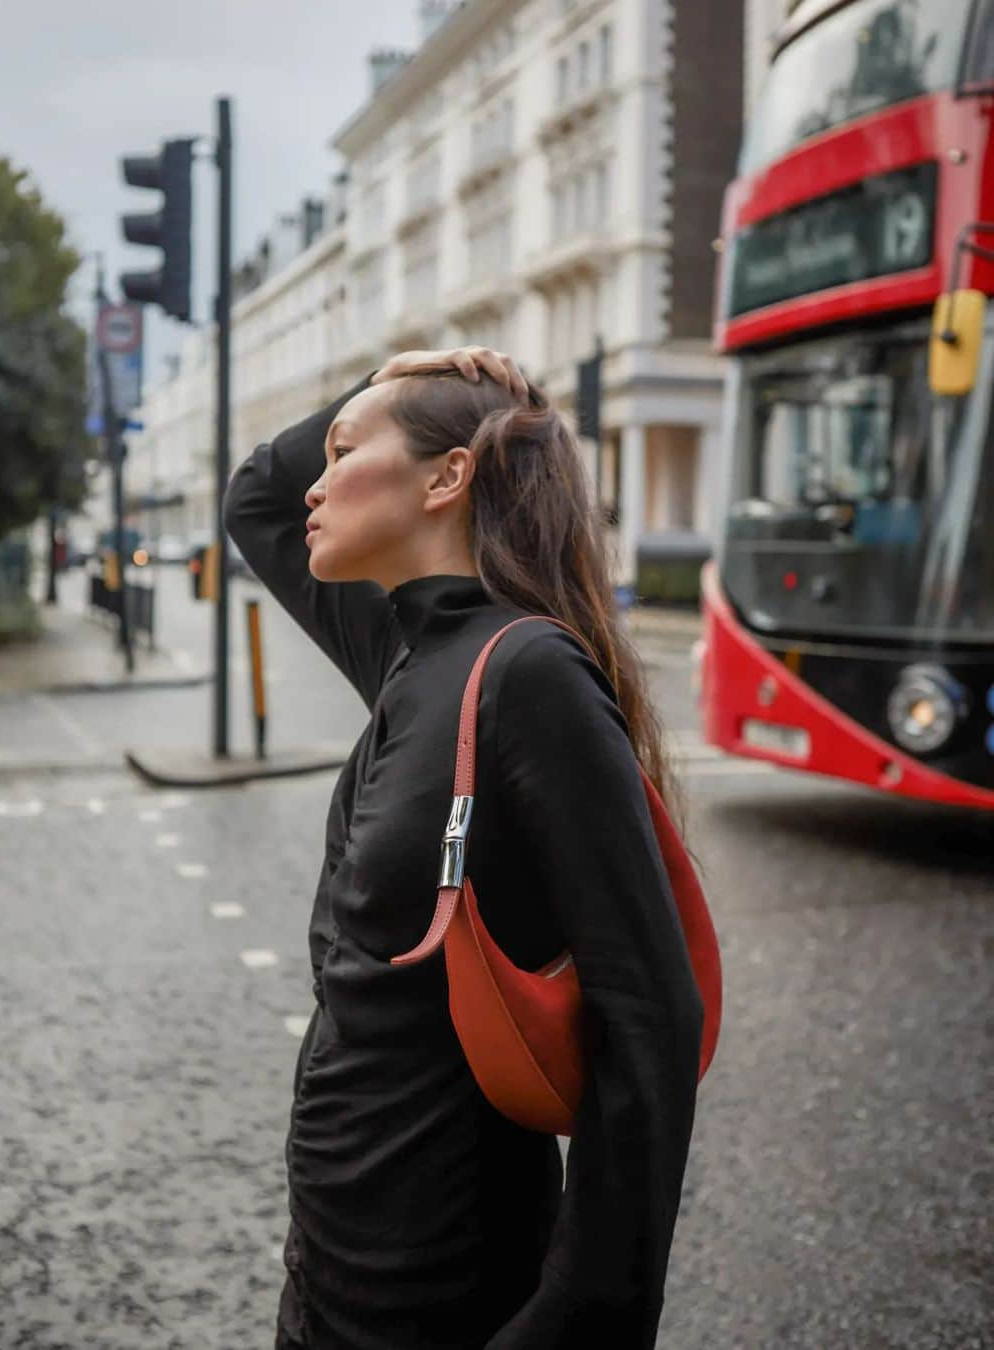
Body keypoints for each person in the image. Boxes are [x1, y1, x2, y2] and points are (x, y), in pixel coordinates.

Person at [223, 345, 704, 1350]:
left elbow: (650, 1011)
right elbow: (256, 496)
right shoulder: (404, 646)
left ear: (447, 478)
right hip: (333, 1261)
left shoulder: (524, 672)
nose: (316, 479)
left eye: (345, 449)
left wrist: (583, 1311)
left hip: (449, 1287)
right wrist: (403, 364)